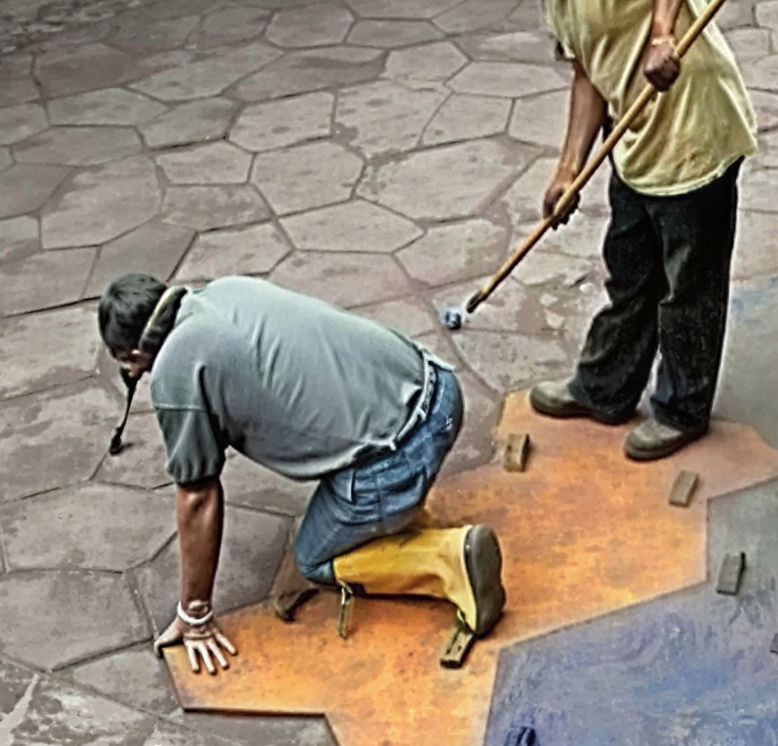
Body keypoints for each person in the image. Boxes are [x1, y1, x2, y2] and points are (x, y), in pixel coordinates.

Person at [455, 0, 757, 462]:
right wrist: (568, 167)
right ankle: (606, 387)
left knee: (687, 289)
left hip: (695, 132)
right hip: (637, 141)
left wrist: (663, 33)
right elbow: (588, 73)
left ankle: (680, 410)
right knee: (630, 272)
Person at [97, 273, 505, 674]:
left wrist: (196, 613)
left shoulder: (175, 369)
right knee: (360, 490)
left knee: (313, 559)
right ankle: (398, 511)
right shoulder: (226, 289)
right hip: (439, 387)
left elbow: (197, 497)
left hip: (401, 450)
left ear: (134, 356)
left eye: (133, 369)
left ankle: (450, 560)